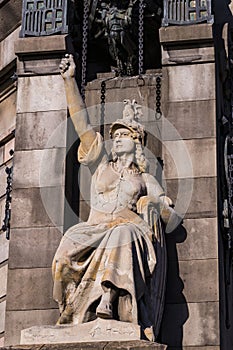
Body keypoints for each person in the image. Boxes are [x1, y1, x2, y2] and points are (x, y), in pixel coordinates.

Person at [52, 54, 177, 340]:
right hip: (94, 228)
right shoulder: (101, 165)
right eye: (115, 135)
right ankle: (72, 310)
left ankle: (108, 299)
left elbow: (170, 215)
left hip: (128, 229)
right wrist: (70, 81)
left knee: (122, 234)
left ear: (136, 143)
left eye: (122, 135)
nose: (116, 138)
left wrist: (154, 204)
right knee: (66, 248)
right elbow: (82, 126)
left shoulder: (144, 179)